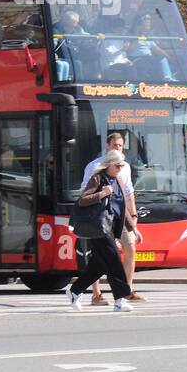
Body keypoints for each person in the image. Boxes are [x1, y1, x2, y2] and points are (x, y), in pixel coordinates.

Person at [80, 132, 145, 304]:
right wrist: (102, 194)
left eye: (121, 146)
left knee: (130, 246)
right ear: (107, 146)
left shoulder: (125, 167)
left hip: (120, 216)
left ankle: (128, 290)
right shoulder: (94, 167)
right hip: (102, 217)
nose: (118, 148)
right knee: (100, 255)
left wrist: (134, 217)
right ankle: (96, 294)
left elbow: (129, 195)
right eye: (115, 145)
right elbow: (85, 194)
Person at [66, 149, 133, 312]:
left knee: (100, 265)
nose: (120, 169)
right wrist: (103, 193)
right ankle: (120, 300)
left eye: (121, 166)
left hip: (109, 227)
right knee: (115, 261)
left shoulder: (117, 180)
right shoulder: (97, 178)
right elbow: (83, 200)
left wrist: (133, 228)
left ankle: (74, 291)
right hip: (98, 228)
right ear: (109, 164)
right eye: (117, 165)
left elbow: (120, 207)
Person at [128, 13, 174, 80]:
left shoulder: (147, 37)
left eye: (148, 26)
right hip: (136, 59)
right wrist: (137, 35)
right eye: (145, 26)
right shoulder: (130, 35)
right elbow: (130, 49)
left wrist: (170, 58)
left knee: (163, 59)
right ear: (139, 26)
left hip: (149, 58)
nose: (147, 28)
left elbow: (157, 50)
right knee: (148, 64)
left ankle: (168, 78)